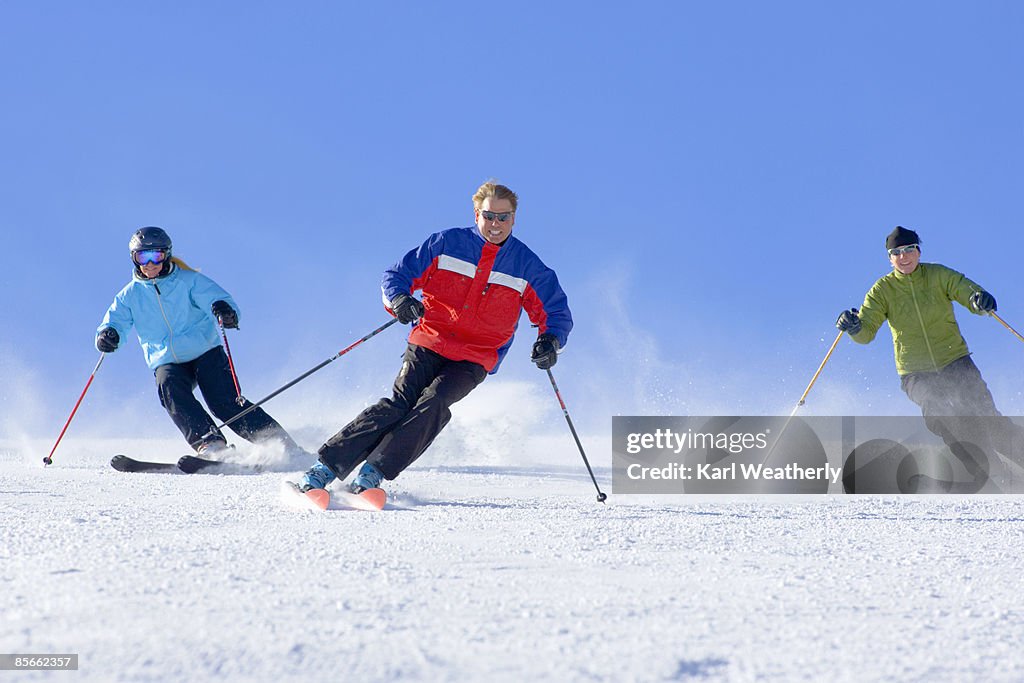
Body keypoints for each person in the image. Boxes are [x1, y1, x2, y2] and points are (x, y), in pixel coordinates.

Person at [300, 181, 573, 494]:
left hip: (476, 355)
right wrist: (401, 300)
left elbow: (556, 312)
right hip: (430, 340)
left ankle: (373, 474)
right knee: (399, 403)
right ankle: (323, 469)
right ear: (476, 214)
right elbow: (397, 276)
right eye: (489, 216)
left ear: (514, 219)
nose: (495, 224)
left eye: (504, 218)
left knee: (436, 402)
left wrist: (550, 340)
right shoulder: (447, 243)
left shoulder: (528, 266)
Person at [97, 226, 305, 457]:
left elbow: (217, 298)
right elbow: (115, 320)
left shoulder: (188, 281)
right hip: (166, 359)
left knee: (223, 402)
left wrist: (225, 312)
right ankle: (210, 442)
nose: (150, 264)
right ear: (134, 259)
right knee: (170, 390)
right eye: (142, 257)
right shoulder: (129, 295)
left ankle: (278, 442)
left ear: (166, 255)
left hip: (205, 351)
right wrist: (108, 334)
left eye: (156, 255)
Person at [836, 226, 1022, 482]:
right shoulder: (882, 291)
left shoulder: (937, 275)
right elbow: (866, 333)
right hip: (916, 373)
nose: (903, 256)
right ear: (890, 259)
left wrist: (978, 299)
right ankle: (992, 474)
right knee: (940, 415)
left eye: (909, 249)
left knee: (985, 419)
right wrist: (853, 326)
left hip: (955, 361)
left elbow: (963, 288)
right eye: (896, 252)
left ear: (918, 251)